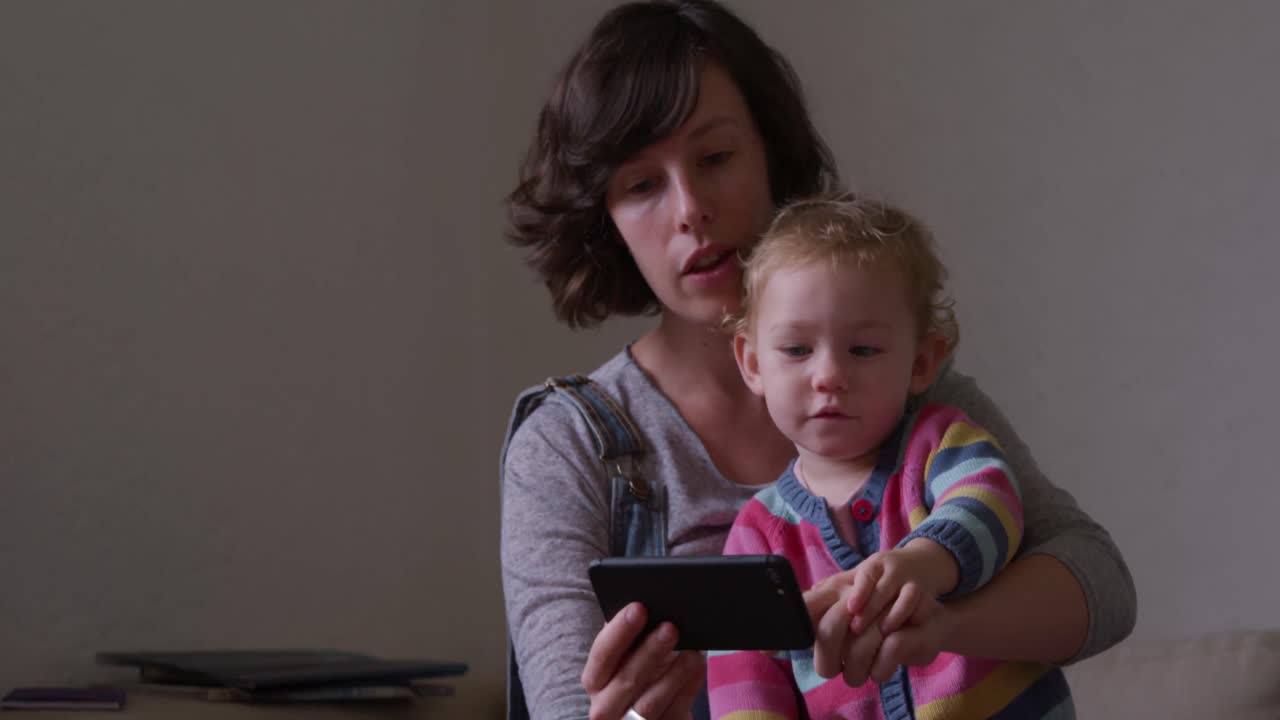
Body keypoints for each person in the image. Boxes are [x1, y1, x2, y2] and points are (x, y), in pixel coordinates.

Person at [501, 2, 1135, 719]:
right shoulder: (569, 445)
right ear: (605, 219)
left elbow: (1102, 585)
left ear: (770, 153)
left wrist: (942, 622)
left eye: (715, 159)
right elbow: (563, 707)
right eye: (642, 185)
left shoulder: (904, 392)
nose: (690, 210)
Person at [707, 194, 1073, 719]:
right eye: (796, 350)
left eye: (863, 350)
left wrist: (921, 563)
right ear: (752, 363)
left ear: (922, 362)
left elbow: (990, 507)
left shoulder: (941, 445)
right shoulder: (756, 536)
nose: (828, 375)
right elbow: (742, 676)